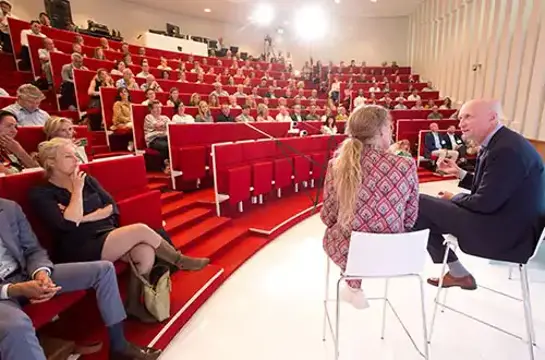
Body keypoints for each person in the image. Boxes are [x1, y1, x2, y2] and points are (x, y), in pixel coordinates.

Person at [31, 138, 209, 322]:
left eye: (75, 155)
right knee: (140, 229)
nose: (76, 160)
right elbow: (67, 225)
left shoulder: (87, 179)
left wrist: (83, 217)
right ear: (51, 162)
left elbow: (111, 207)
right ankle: (179, 260)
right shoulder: (42, 193)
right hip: (78, 247)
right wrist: (77, 191)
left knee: (145, 252)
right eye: (68, 156)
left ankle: (133, 305)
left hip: (105, 233)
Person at [0, 196, 162, 360]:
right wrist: (14, 290)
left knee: (103, 270)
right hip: (3, 293)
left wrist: (41, 273)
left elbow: (33, 250)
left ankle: (119, 346)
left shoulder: (9, 208)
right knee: (17, 327)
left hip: (24, 274)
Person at [414, 99, 545, 289]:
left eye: (468, 117)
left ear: (492, 117)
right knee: (423, 211)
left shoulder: (506, 149)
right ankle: (458, 273)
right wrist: (460, 173)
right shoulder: (503, 142)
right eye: (460, 118)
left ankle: (457, 272)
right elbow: (494, 187)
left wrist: (454, 198)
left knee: (417, 203)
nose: (461, 123)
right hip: (504, 222)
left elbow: (485, 202)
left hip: (504, 234)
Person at [321, 105, 419, 309]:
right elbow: (410, 218)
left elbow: (328, 216)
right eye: (390, 127)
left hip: (350, 252)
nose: (391, 133)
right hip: (394, 254)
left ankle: (352, 284)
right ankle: (353, 285)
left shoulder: (336, 165)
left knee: (341, 231)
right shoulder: (406, 165)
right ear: (382, 131)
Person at [0, 110, 39, 174]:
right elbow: (10, 179)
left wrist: (20, 152)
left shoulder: (13, 147)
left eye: (15, 127)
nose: (14, 131)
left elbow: (38, 172)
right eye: (9, 126)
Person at [144, 101, 171, 173]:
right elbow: (158, 126)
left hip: (164, 137)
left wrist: (163, 126)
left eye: (159, 107)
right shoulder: (149, 117)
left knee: (174, 143)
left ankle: (170, 164)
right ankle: (166, 165)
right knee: (166, 146)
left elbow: (170, 126)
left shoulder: (165, 117)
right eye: (156, 107)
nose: (159, 109)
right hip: (153, 139)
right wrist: (164, 126)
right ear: (151, 109)